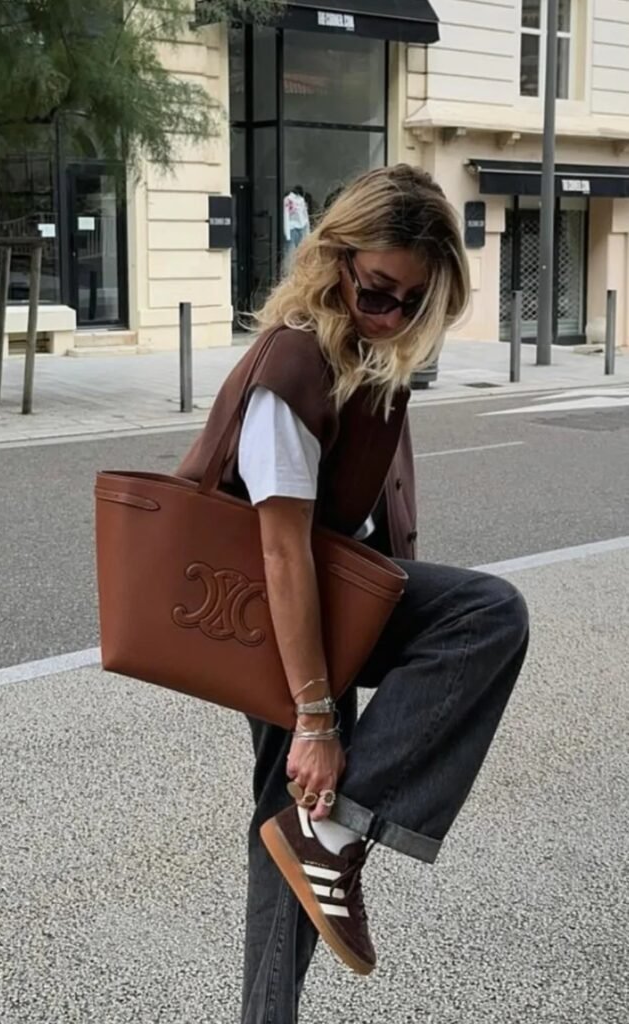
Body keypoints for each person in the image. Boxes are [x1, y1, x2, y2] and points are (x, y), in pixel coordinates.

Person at [178, 164, 529, 1022]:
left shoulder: (359, 354)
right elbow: (281, 554)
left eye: (413, 301)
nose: (392, 315)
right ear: (333, 260)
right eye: (376, 292)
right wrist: (316, 721)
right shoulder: (292, 366)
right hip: (285, 623)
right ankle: (326, 835)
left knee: (292, 830)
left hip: (337, 604)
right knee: (483, 613)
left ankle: (321, 841)